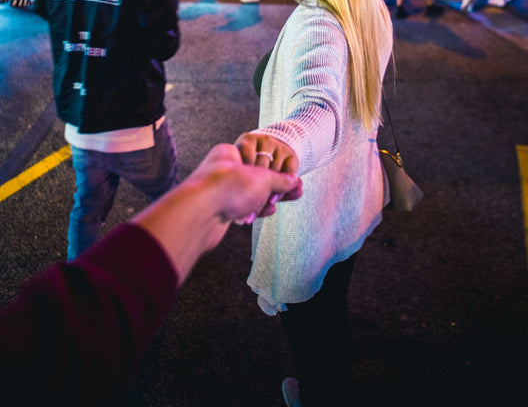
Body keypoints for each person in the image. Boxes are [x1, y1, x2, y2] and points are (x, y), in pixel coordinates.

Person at [235, 0, 393, 407]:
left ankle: (318, 395)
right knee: (333, 315)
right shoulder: (367, 6)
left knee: (311, 332)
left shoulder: (319, 22)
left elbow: (317, 105)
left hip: (311, 216)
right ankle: (329, 383)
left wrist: (281, 143)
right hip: (348, 204)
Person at [0, 143, 303, 407]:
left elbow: (40, 350)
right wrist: (204, 198)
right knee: (161, 186)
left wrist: (208, 199)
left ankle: (82, 260)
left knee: (86, 210)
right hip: (138, 133)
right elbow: (51, 355)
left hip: (84, 132)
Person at [34, 0, 180, 260]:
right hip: (134, 122)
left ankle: (78, 285)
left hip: (81, 120)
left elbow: (47, 9)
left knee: (86, 213)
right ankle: (161, 271)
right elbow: (165, 45)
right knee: (170, 203)